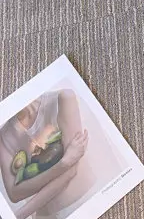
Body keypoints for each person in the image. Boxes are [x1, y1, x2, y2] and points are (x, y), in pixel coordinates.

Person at [0, 90, 95, 219]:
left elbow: (72, 170)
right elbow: (14, 194)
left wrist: (19, 215)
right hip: (45, 215)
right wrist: (63, 164)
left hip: (88, 201)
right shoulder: (3, 136)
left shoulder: (62, 99)